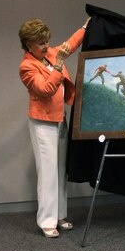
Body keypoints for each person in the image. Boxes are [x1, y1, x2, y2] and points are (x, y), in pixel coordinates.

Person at [18, 17, 90, 238]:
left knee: (60, 170)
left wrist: (85, 28)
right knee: (48, 173)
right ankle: (47, 221)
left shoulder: (49, 53)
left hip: (60, 119)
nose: (46, 46)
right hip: (42, 124)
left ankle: (59, 215)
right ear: (29, 44)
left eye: (47, 41)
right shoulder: (26, 66)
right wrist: (58, 66)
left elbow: (70, 44)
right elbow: (46, 89)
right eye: (41, 43)